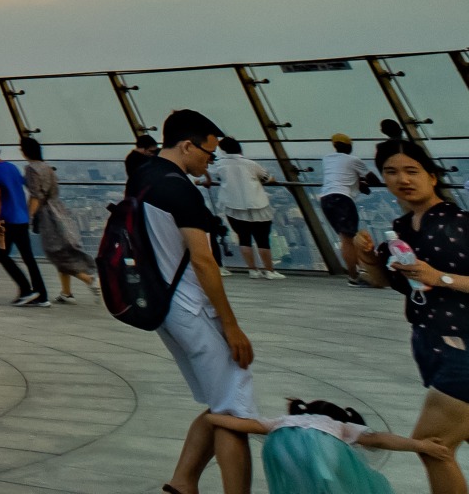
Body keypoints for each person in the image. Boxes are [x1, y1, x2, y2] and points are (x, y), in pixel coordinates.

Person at [342, 134, 469, 494]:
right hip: (430, 346)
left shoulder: (461, 223)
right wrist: (368, 258)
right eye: (391, 172)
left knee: (433, 444)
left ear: (432, 176)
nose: (402, 179)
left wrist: (438, 277)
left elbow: (432, 278)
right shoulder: (398, 232)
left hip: (463, 346)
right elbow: (383, 282)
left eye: (412, 171)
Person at [145, 110, 264, 494]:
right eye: (208, 153)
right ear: (186, 146)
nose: (209, 162)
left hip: (162, 305)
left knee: (221, 400)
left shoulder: (141, 178)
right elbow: (203, 259)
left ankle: (183, 483)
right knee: (234, 410)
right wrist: (231, 325)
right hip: (191, 307)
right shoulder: (181, 189)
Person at [185, 399, 457, 494]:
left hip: (283, 447)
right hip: (323, 447)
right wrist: (421, 445)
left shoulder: (286, 419)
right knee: (333, 481)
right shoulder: (337, 425)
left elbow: (247, 425)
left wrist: (211, 417)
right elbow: (379, 439)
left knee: (300, 483)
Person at [21, 137, 98, 302]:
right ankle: (66, 293)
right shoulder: (48, 168)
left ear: (25, 151)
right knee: (61, 251)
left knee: (54, 252)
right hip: (60, 211)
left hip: (47, 216)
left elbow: (36, 196)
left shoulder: (31, 169)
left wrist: (29, 216)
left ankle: (89, 279)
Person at [0, 138, 47, 304]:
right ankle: (41, 295)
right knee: (28, 257)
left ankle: (25, 289)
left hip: (5, 221)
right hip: (22, 218)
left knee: (0, 253)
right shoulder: (11, 166)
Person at [213, 137, 282, 279]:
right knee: (262, 239)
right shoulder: (250, 164)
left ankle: (252, 270)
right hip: (257, 205)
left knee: (244, 238)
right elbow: (267, 178)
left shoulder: (219, 165)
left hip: (233, 207)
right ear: (240, 148)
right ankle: (269, 271)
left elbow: (217, 178)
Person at [324, 135, 382, 259]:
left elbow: (342, 175)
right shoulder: (353, 160)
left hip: (326, 199)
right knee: (349, 239)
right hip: (342, 199)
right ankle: (354, 275)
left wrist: (358, 182)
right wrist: (363, 181)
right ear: (349, 146)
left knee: (344, 238)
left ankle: (355, 272)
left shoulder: (327, 159)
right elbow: (374, 180)